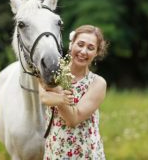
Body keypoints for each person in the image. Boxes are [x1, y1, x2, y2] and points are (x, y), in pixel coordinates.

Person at [39, 25, 108, 159]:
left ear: (97, 52)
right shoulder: (53, 71)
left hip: (85, 153)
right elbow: (43, 96)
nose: (83, 51)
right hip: (55, 150)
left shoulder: (98, 83)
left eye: (90, 48)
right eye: (80, 44)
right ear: (71, 44)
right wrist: (61, 97)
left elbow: (73, 119)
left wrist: (56, 88)